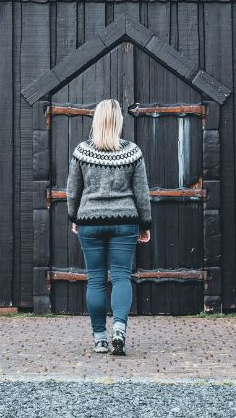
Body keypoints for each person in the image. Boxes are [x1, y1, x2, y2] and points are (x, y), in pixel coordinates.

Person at [67, 99, 151, 356]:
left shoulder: (82, 151)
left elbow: (72, 190)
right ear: (119, 122)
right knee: (121, 276)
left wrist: (74, 217)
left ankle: (100, 339)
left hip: (90, 221)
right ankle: (119, 330)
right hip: (125, 221)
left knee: (95, 279)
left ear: (97, 120)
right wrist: (145, 224)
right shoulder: (132, 152)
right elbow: (142, 193)